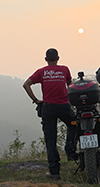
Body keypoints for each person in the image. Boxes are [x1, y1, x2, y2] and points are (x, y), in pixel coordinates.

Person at [23, 48, 76, 180]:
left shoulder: (41, 72)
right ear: (58, 58)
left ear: (46, 59)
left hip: (48, 108)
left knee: (50, 140)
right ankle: (70, 150)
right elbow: (71, 86)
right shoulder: (64, 69)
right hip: (64, 106)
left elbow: (26, 84)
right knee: (74, 125)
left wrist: (36, 101)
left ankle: (54, 172)